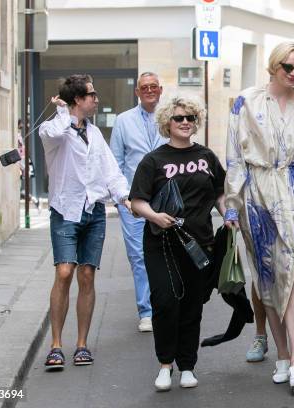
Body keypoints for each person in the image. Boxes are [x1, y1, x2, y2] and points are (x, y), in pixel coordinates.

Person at [224, 41, 294, 390]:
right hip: (258, 196)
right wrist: (231, 203)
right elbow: (235, 158)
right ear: (274, 65)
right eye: (289, 66)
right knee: (268, 279)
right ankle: (283, 355)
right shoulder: (246, 101)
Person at [130, 97, 226, 391]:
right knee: (164, 303)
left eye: (191, 118)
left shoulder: (207, 156)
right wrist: (155, 217)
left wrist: (231, 216)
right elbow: (136, 202)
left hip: (199, 244)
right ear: (167, 123)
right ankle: (164, 365)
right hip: (163, 244)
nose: (186, 122)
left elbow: (221, 193)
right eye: (179, 118)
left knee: (192, 306)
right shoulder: (154, 160)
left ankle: (187, 365)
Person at [38, 74, 130, 370]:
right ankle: (55, 346)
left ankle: (80, 345)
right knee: (64, 272)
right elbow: (51, 133)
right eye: (91, 94)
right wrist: (63, 111)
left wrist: (126, 198)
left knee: (87, 276)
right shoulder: (54, 129)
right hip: (65, 209)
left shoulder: (95, 134)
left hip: (94, 211)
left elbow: (110, 170)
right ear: (78, 99)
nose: (96, 99)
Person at [110, 72, 166, 333]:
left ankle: (165, 305)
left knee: (165, 253)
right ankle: (146, 310)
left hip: (165, 199)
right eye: (145, 87)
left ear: (160, 89)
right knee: (139, 256)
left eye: (154, 86)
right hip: (134, 201)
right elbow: (115, 163)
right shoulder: (123, 121)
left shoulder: (170, 117)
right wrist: (122, 200)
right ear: (137, 92)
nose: (149, 90)